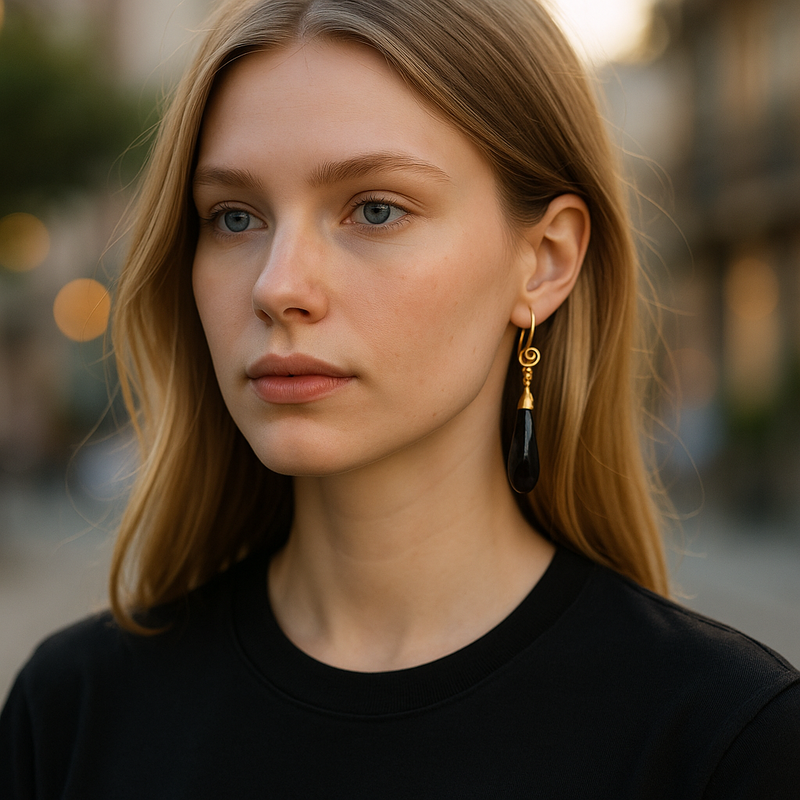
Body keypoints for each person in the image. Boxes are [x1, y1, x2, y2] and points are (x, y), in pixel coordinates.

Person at [1, 0, 798, 796]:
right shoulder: (72, 716)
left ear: (546, 261)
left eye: (375, 209)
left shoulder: (725, 744)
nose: (279, 287)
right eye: (235, 216)